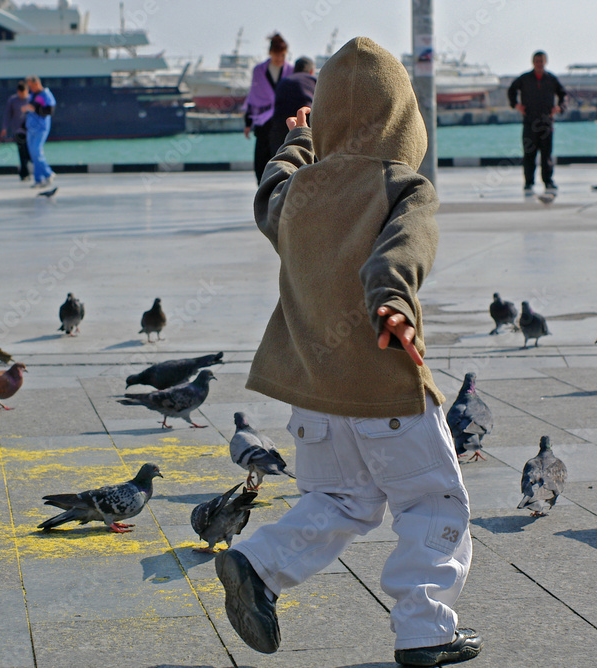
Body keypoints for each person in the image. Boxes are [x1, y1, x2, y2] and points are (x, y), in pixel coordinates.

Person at [216, 37, 482, 668]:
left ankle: (257, 564)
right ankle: (425, 632)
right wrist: (391, 300)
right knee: (432, 502)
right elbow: (402, 250)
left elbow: (270, 192)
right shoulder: (403, 186)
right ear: (404, 121)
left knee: (340, 500)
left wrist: (298, 142)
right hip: (384, 387)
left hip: (314, 395)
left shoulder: (298, 194)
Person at [508, 51, 565, 194]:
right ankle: (528, 182)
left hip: (546, 123)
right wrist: (516, 105)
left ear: (546, 62)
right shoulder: (525, 78)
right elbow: (511, 90)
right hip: (529, 122)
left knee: (547, 155)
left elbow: (563, 94)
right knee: (529, 154)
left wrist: (560, 107)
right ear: (533, 62)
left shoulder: (551, 79)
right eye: (537, 61)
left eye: (541, 61)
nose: (539, 64)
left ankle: (548, 181)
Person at [242, 33, 293, 183]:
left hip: (283, 120)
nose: (279, 59)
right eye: (277, 55)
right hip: (263, 122)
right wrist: (248, 123)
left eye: (283, 55)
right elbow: (253, 96)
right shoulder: (259, 71)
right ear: (270, 53)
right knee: (261, 160)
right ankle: (262, 191)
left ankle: (280, 191)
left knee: (282, 156)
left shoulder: (291, 70)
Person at [267, 56, 316, 157]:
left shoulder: (284, 81)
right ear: (311, 71)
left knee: (280, 155)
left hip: (281, 123)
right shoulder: (314, 80)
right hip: (306, 120)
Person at [22, 75, 56, 187]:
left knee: (37, 151)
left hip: (41, 128)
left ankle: (48, 173)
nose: (30, 88)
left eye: (31, 86)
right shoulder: (33, 94)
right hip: (31, 128)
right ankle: (38, 179)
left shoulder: (46, 94)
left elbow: (49, 111)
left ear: (37, 83)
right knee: (33, 154)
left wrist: (34, 109)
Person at [1, 82, 32, 181]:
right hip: (18, 131)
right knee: (22, 152)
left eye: (24, 93)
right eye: (20, 93)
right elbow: (7, 114)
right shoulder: (13, 100)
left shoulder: (31, 99)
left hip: (30, 131)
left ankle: (27, 171)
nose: (22, 95)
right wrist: (4, 128)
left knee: (29, 153)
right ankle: (24, 173)